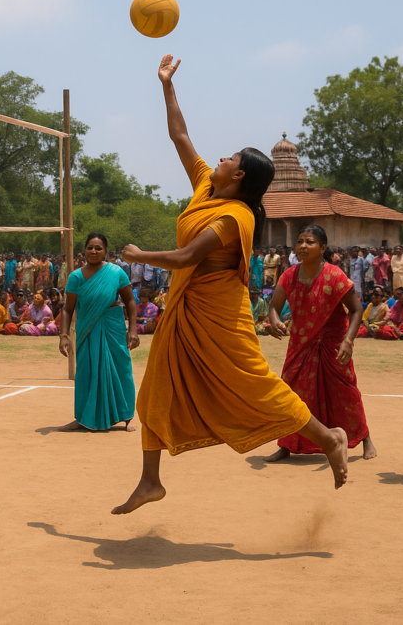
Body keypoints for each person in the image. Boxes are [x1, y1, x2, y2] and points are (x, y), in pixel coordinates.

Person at [111, 54, 350, 515]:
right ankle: (150, 481)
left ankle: (328, 438)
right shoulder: (207, 188)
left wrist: (140, 257)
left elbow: (186, 258)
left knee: (256, 385)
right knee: (154, 389)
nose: (219, 158)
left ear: (238, 175)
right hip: (187, 309)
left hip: (220, 313)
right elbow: (180, 136)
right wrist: (166, 85)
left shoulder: (236, 215)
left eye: (230, 158)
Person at [263, 225, 376, 463]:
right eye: (300, 241)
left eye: (310, 242)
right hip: (300, 343)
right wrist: (274, 321)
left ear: (322, 248)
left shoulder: (335, 276)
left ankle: (364, 437)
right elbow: (274, 306)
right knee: (292, 392)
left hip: (332, 344)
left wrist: (348, 341)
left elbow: (356, 310)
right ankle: (286, 444)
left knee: (344, 392)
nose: (303, 246)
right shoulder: (288, 276)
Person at [58, 233, 139, 432]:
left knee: (120, 369)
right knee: (86, 372)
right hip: (87, 329)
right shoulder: (76, 277)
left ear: (106, 251)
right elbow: (67, 309)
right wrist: (64, 336)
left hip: (113, 327)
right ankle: (82, 417)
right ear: (84, 250)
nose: (93, 251)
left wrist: (133, 330)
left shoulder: (116, 272)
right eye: (90, 247)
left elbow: (129, 300)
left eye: (98, 248)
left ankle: (125, 416)